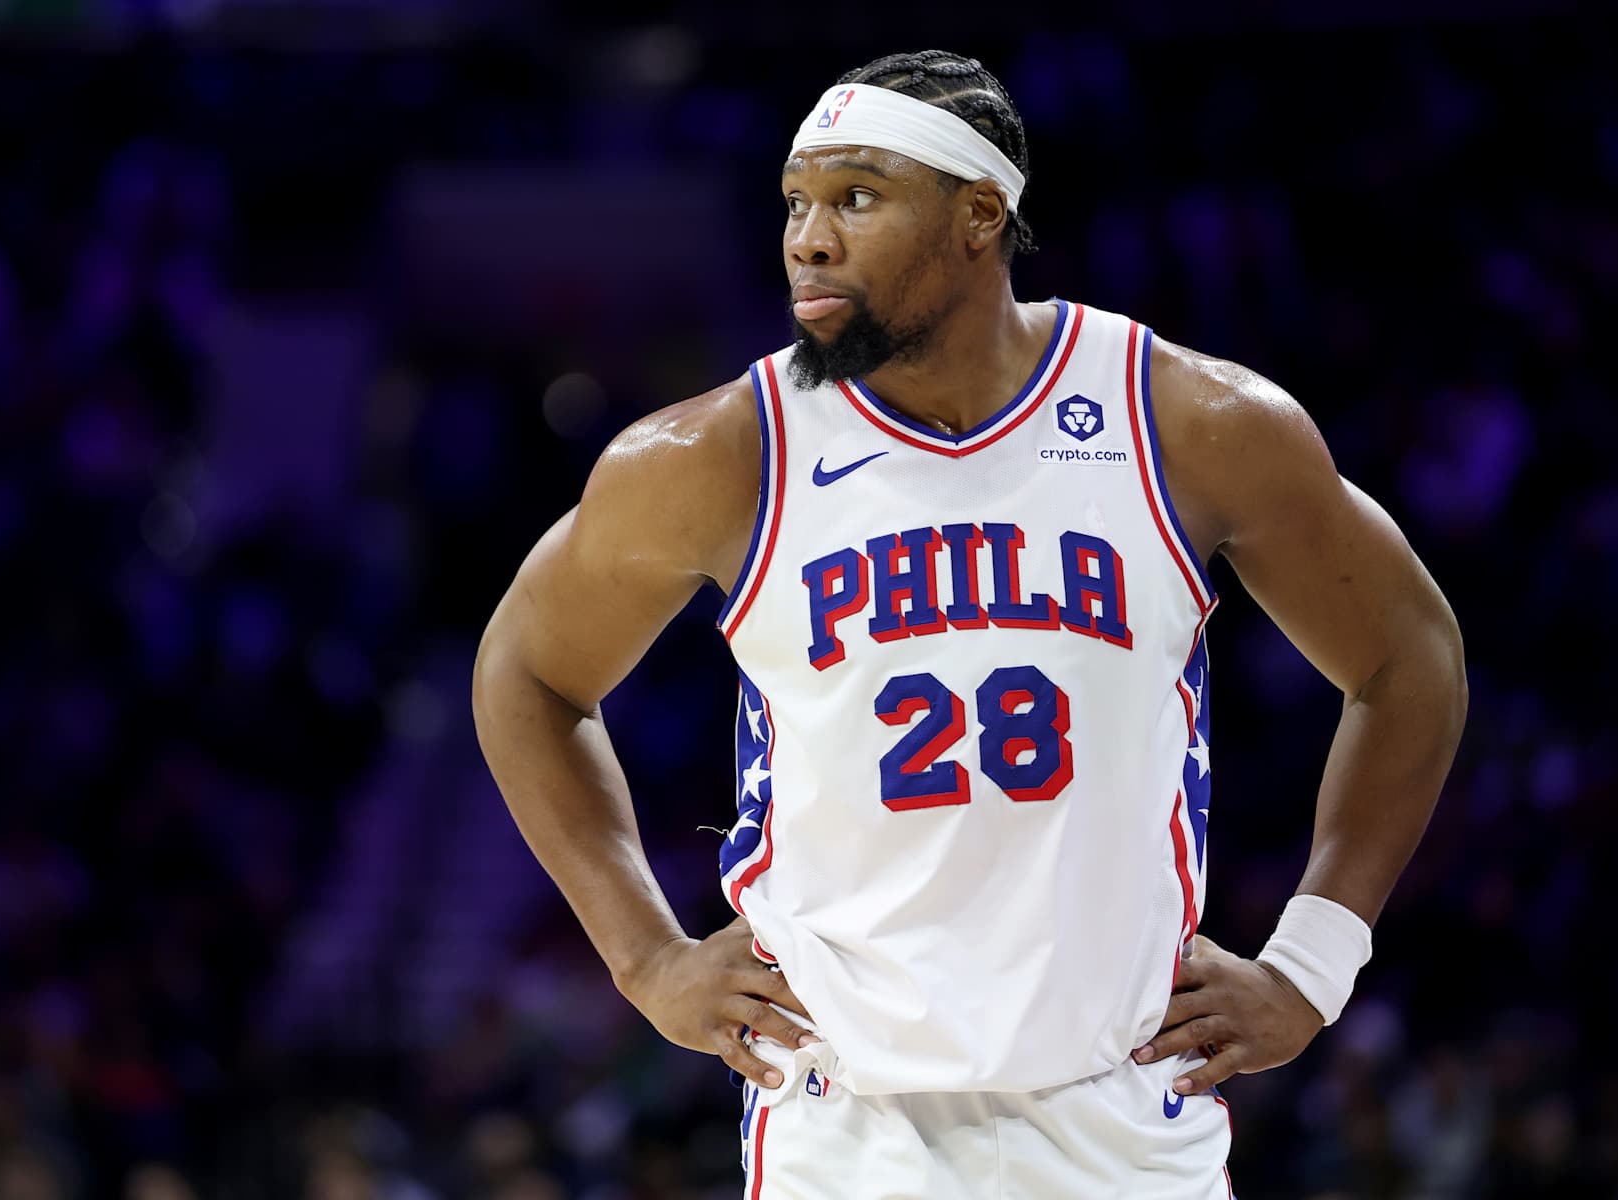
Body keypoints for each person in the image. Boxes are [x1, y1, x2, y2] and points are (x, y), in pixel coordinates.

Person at [473, 48, 1467, 1199]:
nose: (809, 237)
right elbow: (527, 673)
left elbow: (1411, 656)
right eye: (796, 202)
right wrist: (646, 959)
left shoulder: (1184, 420)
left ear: (979, 216)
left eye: (857, 198)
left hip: (1122, 1105)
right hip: (842, 1119)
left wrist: (1312, 962)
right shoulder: (716, 455)